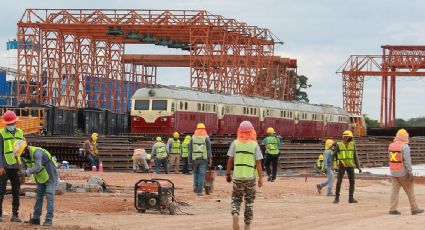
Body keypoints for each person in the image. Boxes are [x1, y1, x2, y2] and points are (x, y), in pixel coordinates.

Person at [226, 121, 263, 230]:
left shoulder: (235, 143)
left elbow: (230, 160)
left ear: (239, 131)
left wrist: (228, 174)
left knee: (236, 199)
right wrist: (260, 178)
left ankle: (235, 213)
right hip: (250, 178)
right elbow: (258, 163)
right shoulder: (254, 145)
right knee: (249, 202)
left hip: (237, 177)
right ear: (252, 132)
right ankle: (247, 225)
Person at [13, 140, 58, 226]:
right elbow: (23, 167)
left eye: (22, 153)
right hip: (40, 176)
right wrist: (21, 173)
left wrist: (26, 173)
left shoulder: (37, 152)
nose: (21, 156)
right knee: (39, 196)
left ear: (25, 149)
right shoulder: (23, 156)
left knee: (49, 196)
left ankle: (49, 219)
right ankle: (36, 218)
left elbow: (37, 167)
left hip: (50, 173)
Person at [388, 129, 424, 215]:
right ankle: (414, 208)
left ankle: (392, 209)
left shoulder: (391, 145)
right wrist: (410, 173)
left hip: (393, 171)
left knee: (394, 191)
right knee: (410, 190)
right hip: (403, 172)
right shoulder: (405, 147)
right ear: (405, 137)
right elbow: (407, 162)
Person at [0, 110, 24, 222]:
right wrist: (0, 166)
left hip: (16, 166)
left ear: (15, 122)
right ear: (6, 124)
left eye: (12, 123)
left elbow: (23, 148)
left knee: (16, 191)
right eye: (9, 124)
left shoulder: (20, 132)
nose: (11, 125)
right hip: (4, 167)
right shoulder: (1, 133)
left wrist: (23, 168)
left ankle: (15, 214)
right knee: (1, 191)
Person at [333, 130, 362, 204]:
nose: (345, 137)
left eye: (347, 136)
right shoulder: (339, 145)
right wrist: (334, 165)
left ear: (350, 137)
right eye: (344, 136)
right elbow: (334, 155)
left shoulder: (353, 145)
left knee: (352, 182)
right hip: (342, 165)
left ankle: (351, 198)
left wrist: (358, 167)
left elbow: (355, 156)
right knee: (339, 182)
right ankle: (336, 198)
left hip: (350, 165)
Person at [188, 123, 212, 196]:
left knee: (196, 173)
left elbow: (190, 150)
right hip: (203, 159)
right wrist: (210, 159)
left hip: (194, 159)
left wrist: (189, 161)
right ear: (204, 129)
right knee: (202, 174)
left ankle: (195, 186)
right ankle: (199, 191)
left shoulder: (193, 138)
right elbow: (208, 150)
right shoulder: (206, 138)